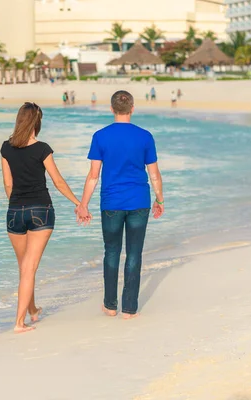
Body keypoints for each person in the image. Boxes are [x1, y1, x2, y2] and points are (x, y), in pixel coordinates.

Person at [76, 90, 164, 320]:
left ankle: (110, 305)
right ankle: (130, 308)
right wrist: (160, 199)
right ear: (132, 108)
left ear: (112, 109)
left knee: (112, 252)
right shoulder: (145, 136)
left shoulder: (100, 136)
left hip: (111, 203)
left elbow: (93, 175)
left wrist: (83, 204)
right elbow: (154, 174)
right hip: (139, 202)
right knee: (134, 253)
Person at [1, 102, 87, 333]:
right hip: (41, 211)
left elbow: (8, 184)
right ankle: (19, 323)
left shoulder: (6, 148)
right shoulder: (42, 149)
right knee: (29, 268)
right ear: (36, 122)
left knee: (24, 267)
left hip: (14, 213)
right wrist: (79, 204)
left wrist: (17, 203)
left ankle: (32, 311)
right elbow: (58, 181)